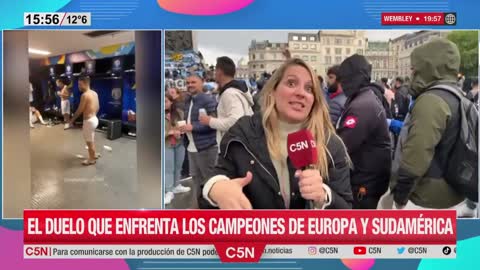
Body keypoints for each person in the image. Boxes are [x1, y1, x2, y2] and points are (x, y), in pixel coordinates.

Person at [200, 58, 353, 209]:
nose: (301, 93)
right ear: (273, 90)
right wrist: (216, 189)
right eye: (291, 83)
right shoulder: (242, 133)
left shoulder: (330, 144)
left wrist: (324, 196)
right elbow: (212, 184)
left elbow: (347, 213)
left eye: (309, 89)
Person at [383, 39, 475, 216]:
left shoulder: (431, 100)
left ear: (429, 66)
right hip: (453, 190)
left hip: (427, 199)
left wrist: (400, 197)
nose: (412, 71)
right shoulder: (457, 96)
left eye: (415, 66)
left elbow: (416, 155)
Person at [336, 54, 391, 209]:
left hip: (365, 184)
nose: (342, 84)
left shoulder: (361, 106)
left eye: (344, 79)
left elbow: (341, 147)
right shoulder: (365, 98)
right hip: (370, 179)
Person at [199, 56, 254, 148]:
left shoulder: (230, 94)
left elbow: (235, 121)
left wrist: (210, 121)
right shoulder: (235, 91)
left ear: (219, 71)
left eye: (215, 70)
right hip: (238, 143)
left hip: (233, 146)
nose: (214, 73)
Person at [178, 74, 218, 201]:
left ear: (202, 83)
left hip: (206, 148)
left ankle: (211, 211)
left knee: (209, 180)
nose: (190, 85)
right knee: (196, 179)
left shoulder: (208, 100)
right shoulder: (188, 100)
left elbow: (214, 122)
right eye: (188, 82)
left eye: (193, 82)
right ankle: (198, 207)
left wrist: (193, 127)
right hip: (191, 147)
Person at [165, 94, 191, 205]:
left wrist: (180, 132)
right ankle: (168, 191)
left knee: (178, 166)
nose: (163, 103)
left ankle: (176, 185)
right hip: (166, 145)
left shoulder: (179, 113)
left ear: (171, 102)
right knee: (168, 169)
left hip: (179, 144)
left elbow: (182, 127)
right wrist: (169, 132)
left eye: (165, 101)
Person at [69, 76, 100, 166]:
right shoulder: (94, 93)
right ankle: (94, 154)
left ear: (86, 83)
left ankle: (91, 159)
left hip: (89, 121)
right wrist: (93, 114)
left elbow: (80, 110)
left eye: (80, 84)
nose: (78, 86)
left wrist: (72, 120)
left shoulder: (85, 95)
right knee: (91, 138)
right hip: (95, 119)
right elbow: (98, 107)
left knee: (89, 142)